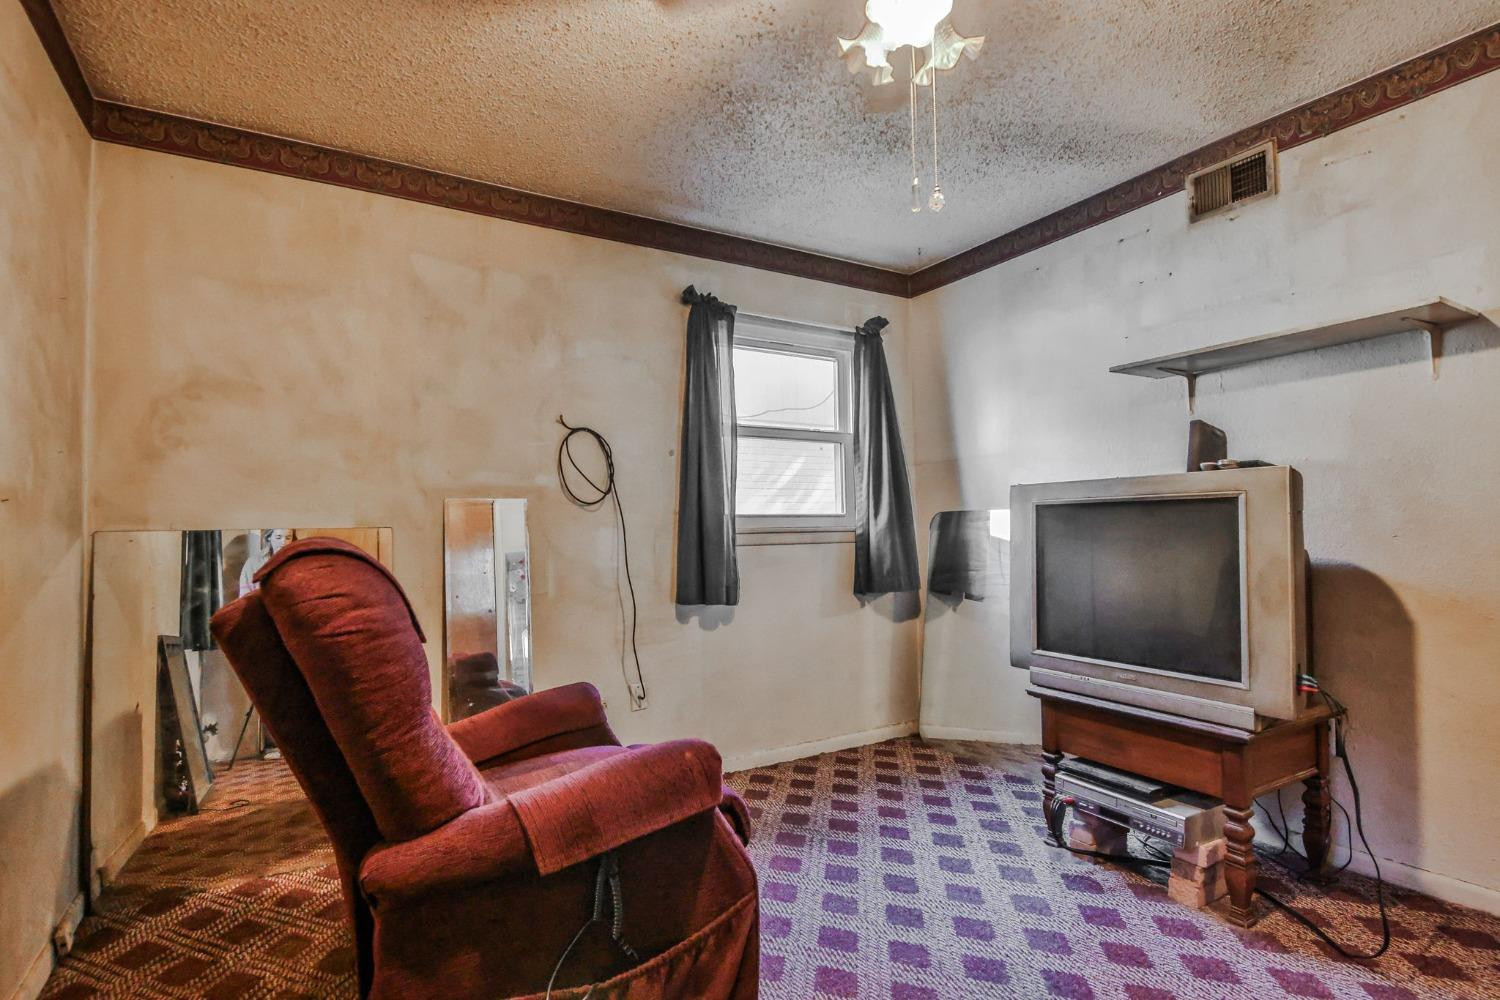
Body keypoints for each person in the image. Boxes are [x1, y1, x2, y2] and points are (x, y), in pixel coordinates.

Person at [237, 528, 290, 597]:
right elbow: (244, 597)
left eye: (288, 538)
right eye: (278, 537)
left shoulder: (298, 560)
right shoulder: (253, 563)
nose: (283, 542)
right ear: (269, 538)